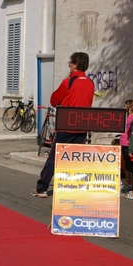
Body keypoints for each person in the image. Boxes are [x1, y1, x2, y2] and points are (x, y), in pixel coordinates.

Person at [31, 52, 95, 198]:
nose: (69, 65)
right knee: (75, 159)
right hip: (82, 126)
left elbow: (54, 100)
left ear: (76, 65)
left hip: (67, 125)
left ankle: (41, 188)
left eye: (70, 63)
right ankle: (71, 187)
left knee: (54, 157)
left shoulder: (69, 82)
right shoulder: (90, 83)